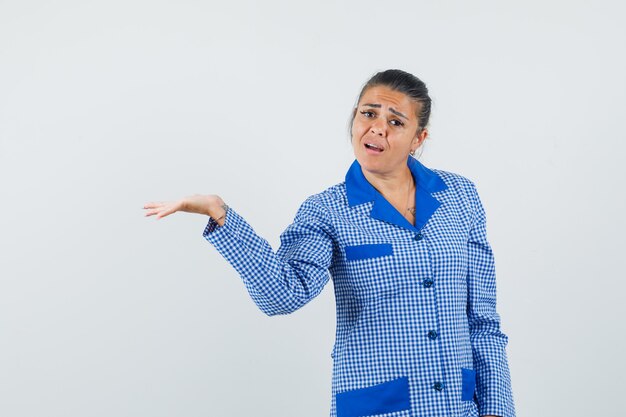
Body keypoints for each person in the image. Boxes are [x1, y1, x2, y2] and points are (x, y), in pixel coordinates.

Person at [143, 69, 515, 417]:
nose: (378, 129)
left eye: (395, 121)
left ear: (419, 139)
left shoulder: (461, 197)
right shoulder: (327, 211)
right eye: (369, 114)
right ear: (354, 119)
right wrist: (222, 215)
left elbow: (482, 320)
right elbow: (282, 295)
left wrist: (498, 409)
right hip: (378, 406)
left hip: (458, 405)